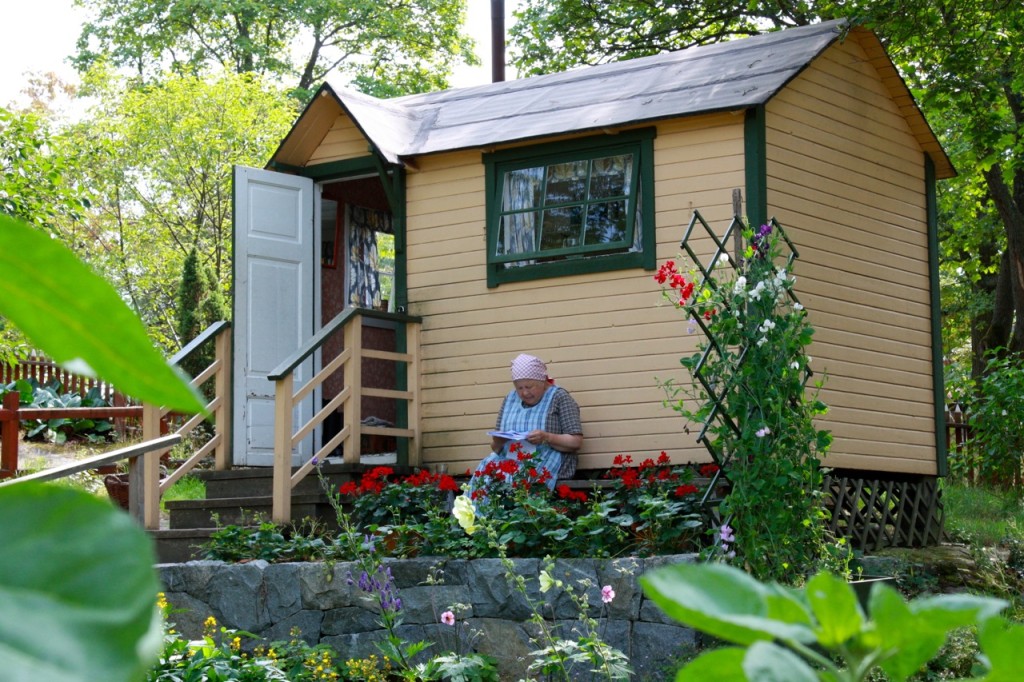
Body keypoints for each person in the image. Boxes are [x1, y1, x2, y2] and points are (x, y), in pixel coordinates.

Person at [471, 353, 583, 492]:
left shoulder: (559, 398)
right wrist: (499, 440)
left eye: (529, 387)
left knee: (517, 478)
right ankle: (478, 513)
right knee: (485, 475)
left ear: (543, 381)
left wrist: (547, 437)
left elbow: (576, 442)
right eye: (519, 388)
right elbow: (495, 448)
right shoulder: (510, 399)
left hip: (545, 461)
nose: (524, 393)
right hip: (510, 460)